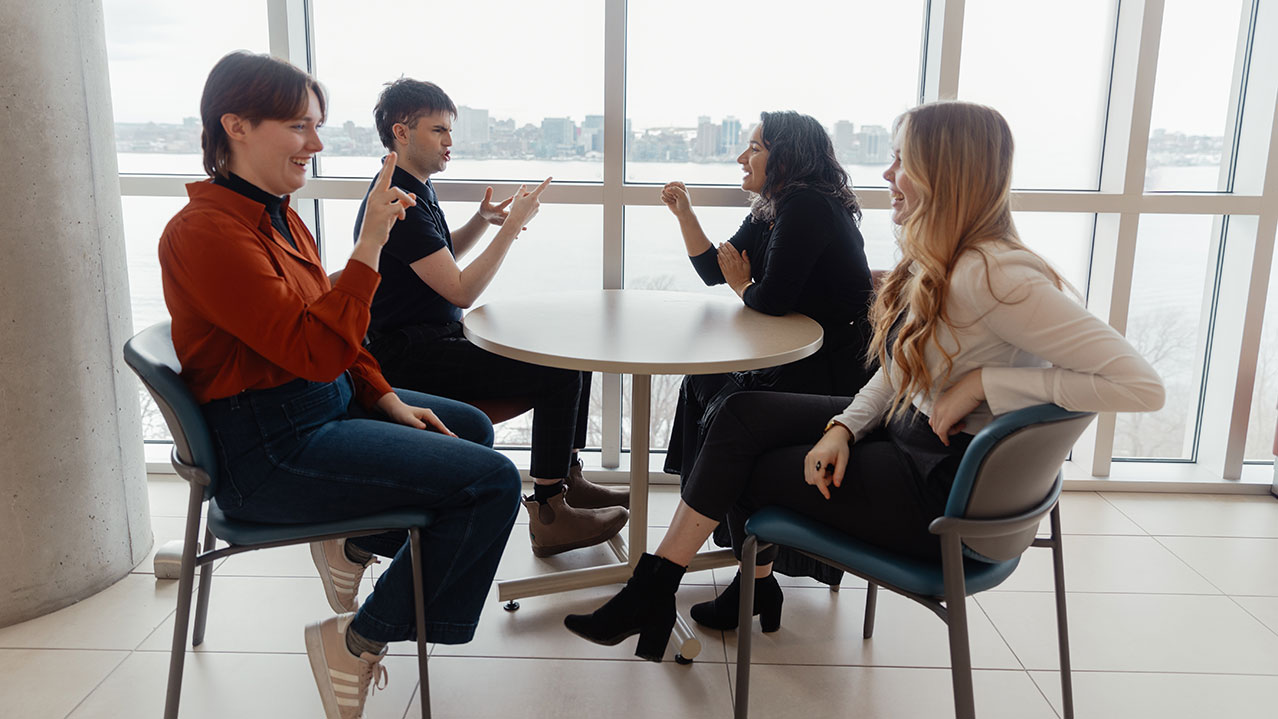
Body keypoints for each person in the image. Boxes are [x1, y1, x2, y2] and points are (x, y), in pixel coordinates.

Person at [563, 100, 1166, 659]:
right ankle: (657, 587)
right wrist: (843, 429)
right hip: (911, 434)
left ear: (943, 174)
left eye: (902, 161)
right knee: (739, 411)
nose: (885, 174)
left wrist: (985, 385)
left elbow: (1140, 385)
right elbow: (899, 371)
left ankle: (660, 592)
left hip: (938, 490)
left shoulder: (999, 276)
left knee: (740, 456)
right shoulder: (949, 262)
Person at [159, 52, 537, 718]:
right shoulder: (205, 233)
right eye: (300, 126)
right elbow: (311, 348)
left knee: (472, 429)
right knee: (492, 482)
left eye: (318, 125)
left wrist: (387, 397)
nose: (317, 143)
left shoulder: (275, 213)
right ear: (237, 125)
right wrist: (369, 248)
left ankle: (353, 545)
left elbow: (339, 336)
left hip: (318, 408)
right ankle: (356, 640)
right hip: (271, 450)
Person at [353, 78, 629, 559]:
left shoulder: (411, 186)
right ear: (401, 131)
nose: (449, 142)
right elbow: (461, 288)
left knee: (571, 349)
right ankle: (549, 512)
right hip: (409, 355)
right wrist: (514, 228)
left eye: (450, 131)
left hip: (431, 339)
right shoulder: (398, 199)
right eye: (438, 131)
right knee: (561, 370)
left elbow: (437, 258)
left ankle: (566, 477)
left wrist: (483, 220)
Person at [659, 110, 877, 585]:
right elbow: (717, 270)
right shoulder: (773, 206)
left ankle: (754, 577)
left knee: (729, 411)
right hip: (796, 357)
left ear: (786, 157)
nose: (742, 158)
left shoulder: (807, 206)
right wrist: (686, 215)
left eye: (754, 148)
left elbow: (769, 300)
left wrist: (743, 288)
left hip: (830, 369)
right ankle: (745, 557)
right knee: (703, 382)